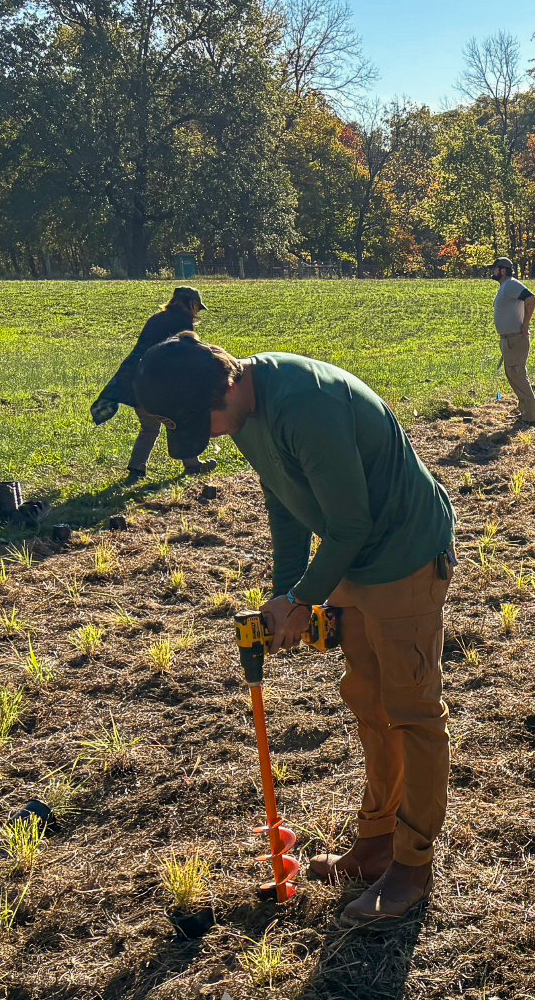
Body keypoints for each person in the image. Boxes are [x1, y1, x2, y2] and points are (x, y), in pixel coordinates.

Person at [132, 334, 458, 926]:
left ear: (225, 384)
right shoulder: (244, 411)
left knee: (412, 711)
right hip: (351, 557)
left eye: (203, 421)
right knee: (369, 701)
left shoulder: (308, 406)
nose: (210, 435)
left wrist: (305, 598)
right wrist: (287, 590)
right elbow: (283, 498)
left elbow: (351, 522)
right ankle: (377, 840)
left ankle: (413, 865)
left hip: (402, 553)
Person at [90, 285, 217, 482]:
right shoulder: (183, 322)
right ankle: (192, 464)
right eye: (197, 308)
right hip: (158, 384)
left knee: (150, 427)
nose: (197, 312)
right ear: (191, 304)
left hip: (137, 381)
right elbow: (183, 355)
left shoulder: (156, 318)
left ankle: (136, 469)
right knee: (180, 420)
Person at [490, 255, 535, 426]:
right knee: (513, 375)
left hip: (515, 339)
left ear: (503, 270)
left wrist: (525, 324)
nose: (492, 271)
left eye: (495, 268)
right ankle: (525, 412)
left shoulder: (511, 284)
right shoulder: (505, 286)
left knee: (517, 374)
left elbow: (531, 299)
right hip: (507, 340)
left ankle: (532, 417)